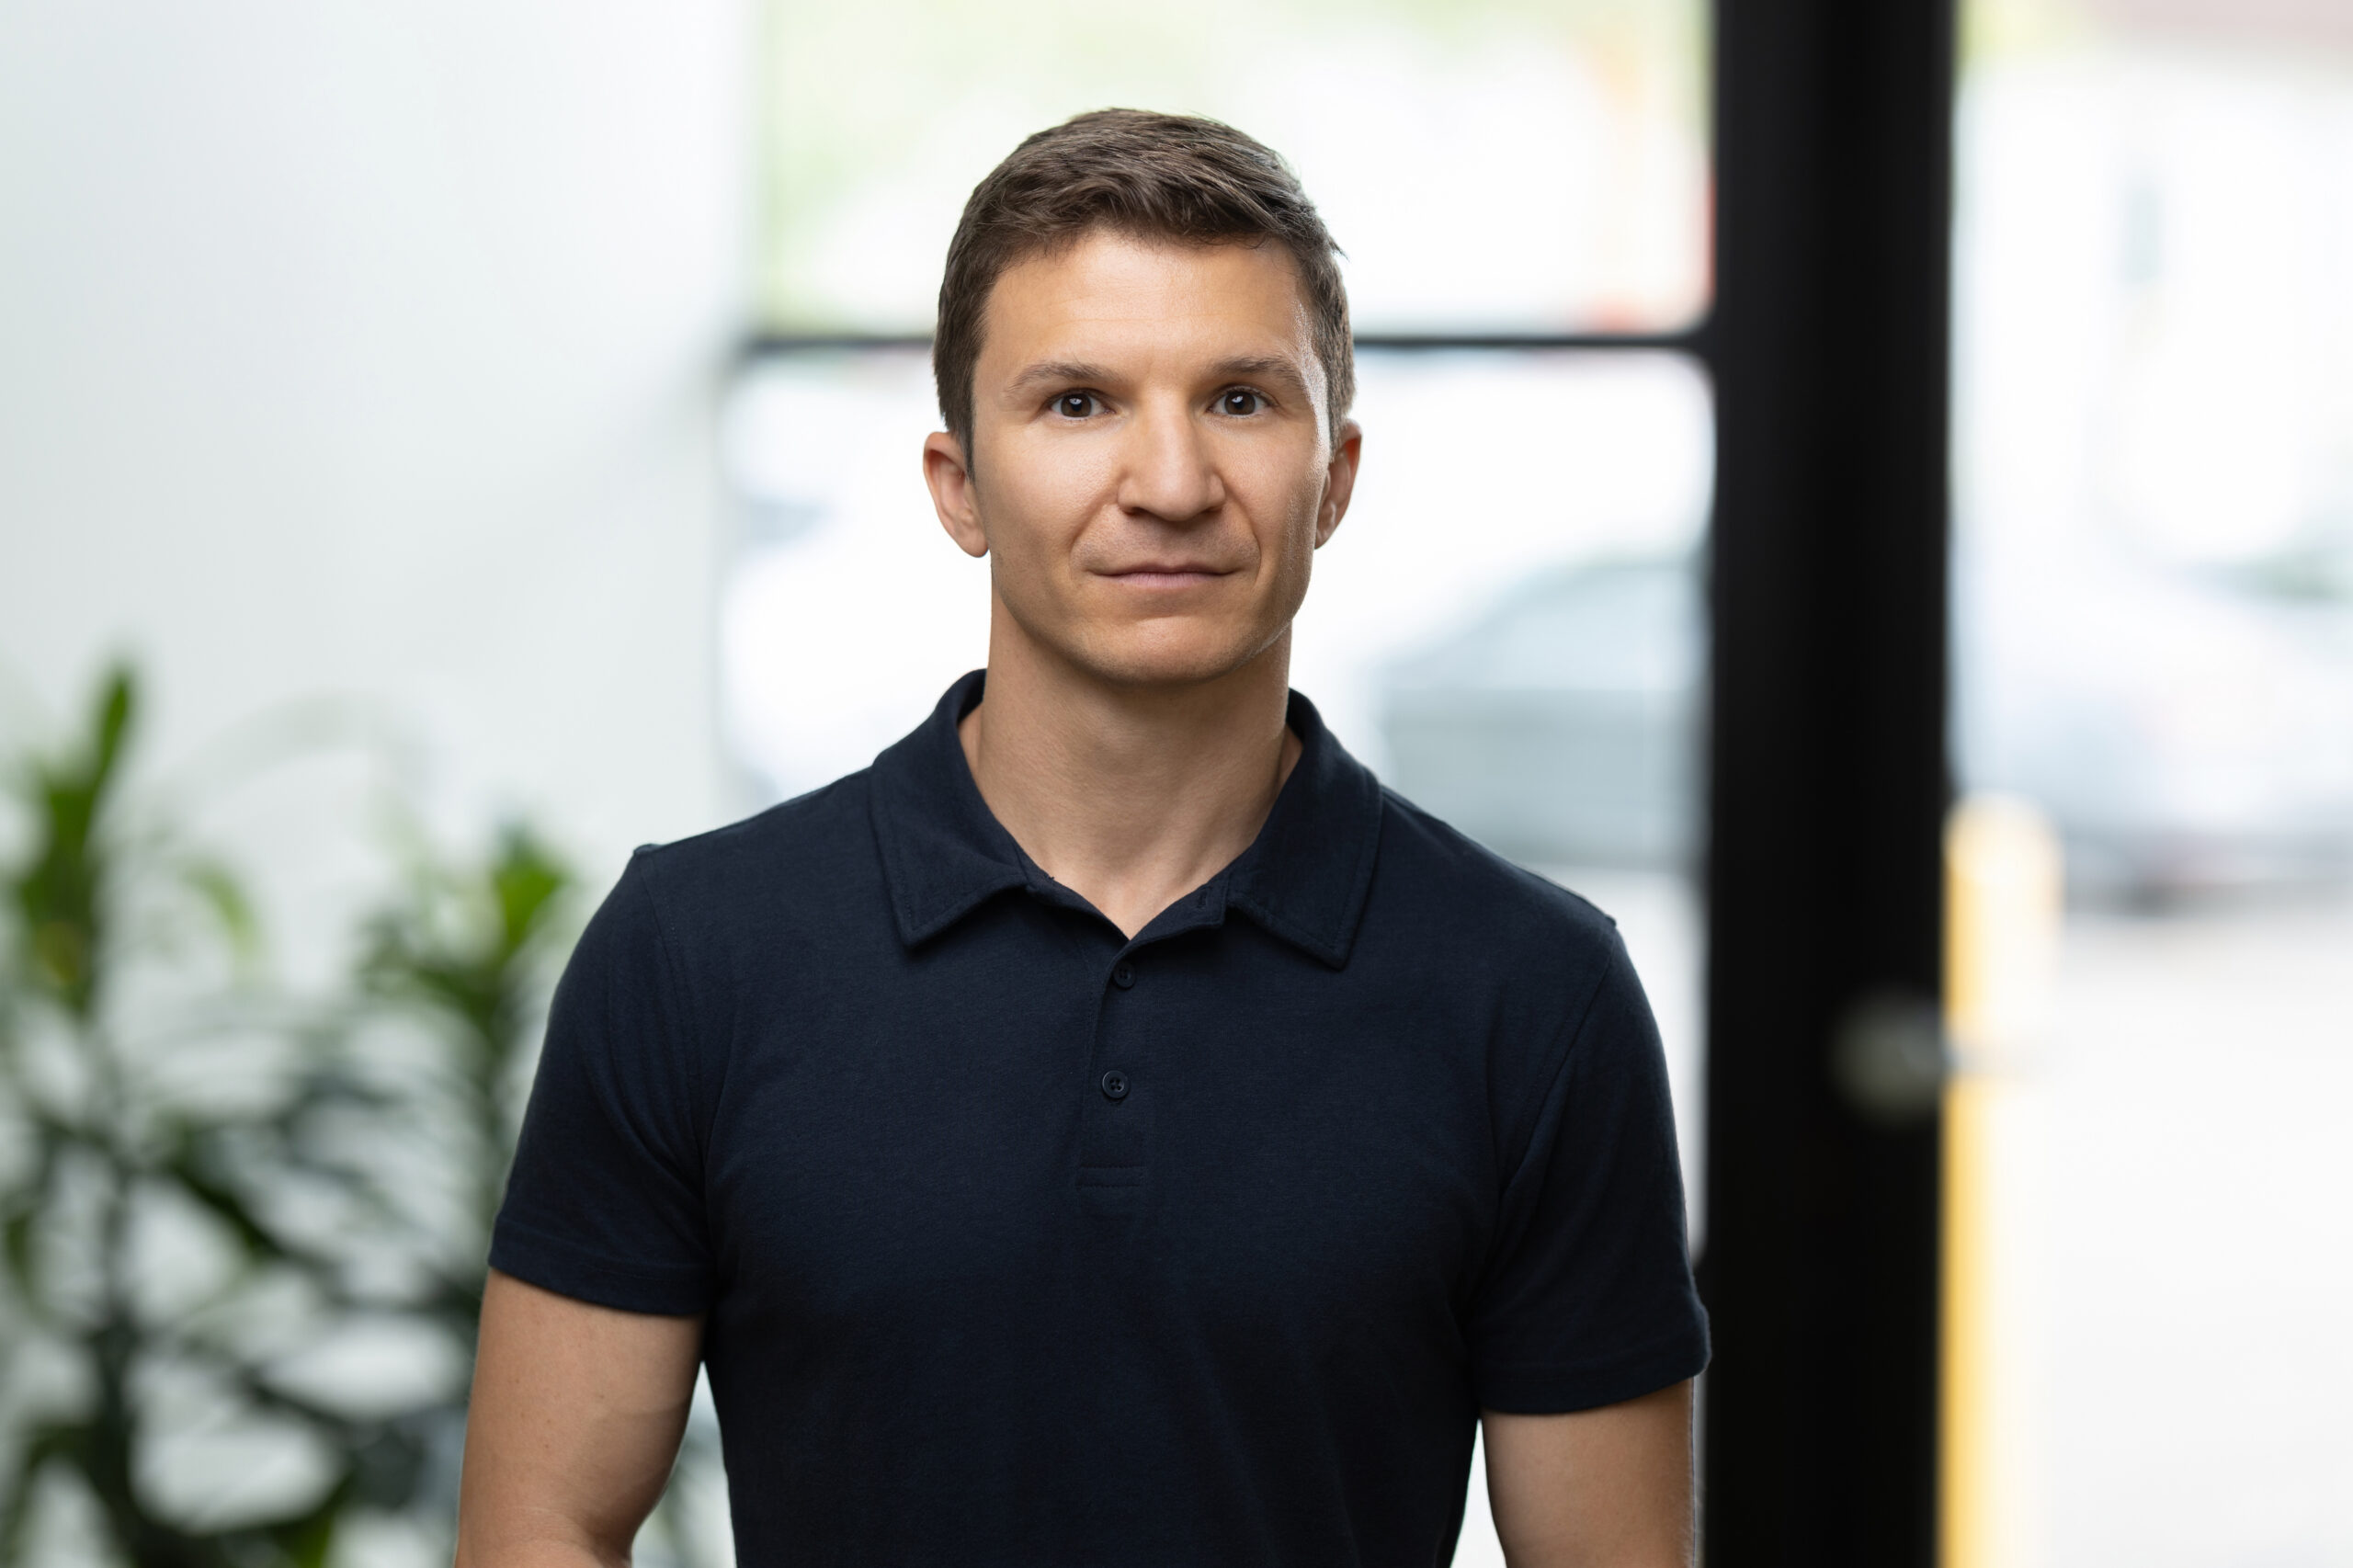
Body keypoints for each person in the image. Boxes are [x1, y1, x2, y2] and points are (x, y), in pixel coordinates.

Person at [456, 108, 1707, 1568]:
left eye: (1242, 399)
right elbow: (541, 1528)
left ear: (1339, 474)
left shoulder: (1534, 994)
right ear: (958, 485)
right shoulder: (694, 954)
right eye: (1077, 403)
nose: (1170, 482)